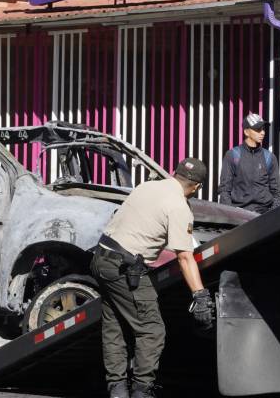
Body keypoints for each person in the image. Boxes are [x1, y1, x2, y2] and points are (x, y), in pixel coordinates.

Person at [90, 158, 215, 398]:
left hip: (101, 259)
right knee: (152, 331)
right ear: (197, 187)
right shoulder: (179, 207)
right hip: (124, 268)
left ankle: (117, 390)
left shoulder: (147, 186)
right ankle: (142, 391)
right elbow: (185, 257)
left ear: (173, 173)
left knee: (114, 326)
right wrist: (200, 294)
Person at [218, 113, 280, 213]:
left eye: (263, 129)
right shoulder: (233, 155)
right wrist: (230, 214)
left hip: (264, 215)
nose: (262, 133)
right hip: (239, 214)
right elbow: (224, 190)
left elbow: (276, 192)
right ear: (246, 132)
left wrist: (272, 214)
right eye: (258, 129)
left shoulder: (269, 157)